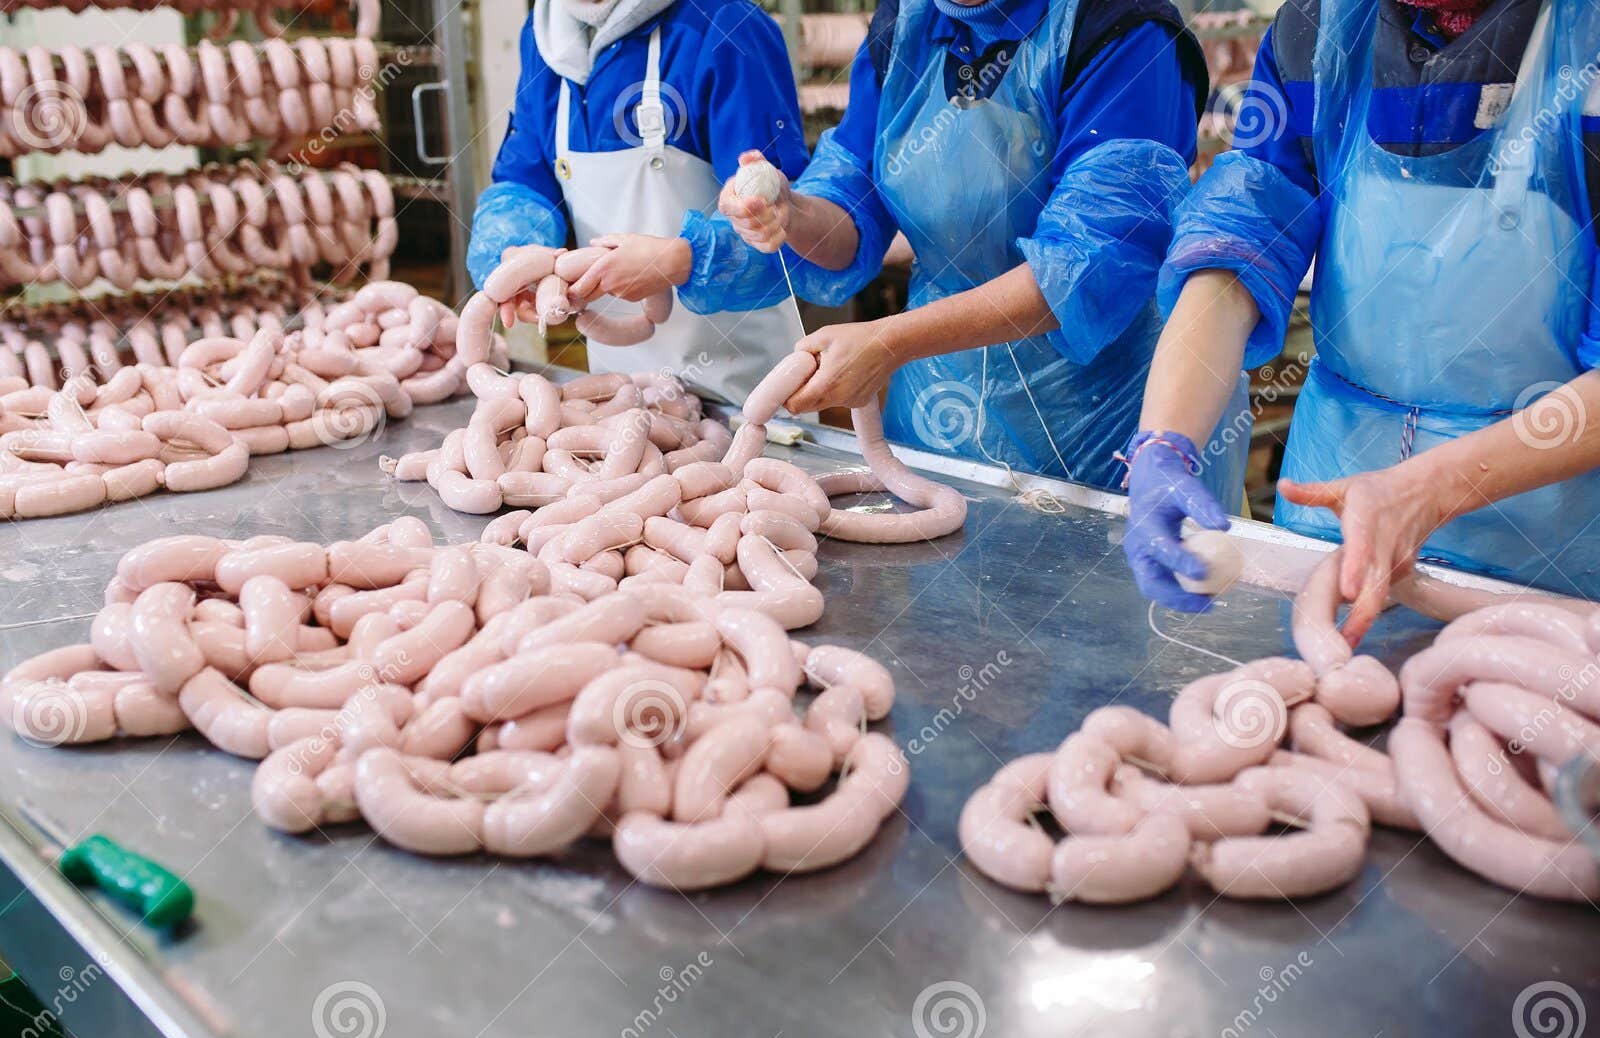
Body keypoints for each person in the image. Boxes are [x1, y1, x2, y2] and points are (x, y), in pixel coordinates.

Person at [581, 0, 1247, 500]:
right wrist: (790, 211)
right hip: (937, 417)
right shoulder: (909, 24)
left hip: (1104, 429)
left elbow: (1085, 271)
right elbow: (850, 204)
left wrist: (890, 342)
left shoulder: (1121, 31)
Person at [1123, 0, 1600, 635]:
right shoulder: (1315, 31)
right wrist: (1163, 440)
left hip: (1547, 548)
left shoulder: (1583, 46)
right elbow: (1236, 253)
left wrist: (1429, 489)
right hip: (1335, 507)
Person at [466, 0, 809, 402]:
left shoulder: (725, 26)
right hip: (620, 392)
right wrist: (515, 252)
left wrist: (683, 260)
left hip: (746, 387)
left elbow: (788, 225)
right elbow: (525, 181)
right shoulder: (544, 37)